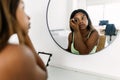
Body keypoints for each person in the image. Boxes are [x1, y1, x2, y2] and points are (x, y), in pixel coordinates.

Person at [0, 0, 48, 80]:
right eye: (23, 8)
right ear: (9, 13)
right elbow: (43, 74)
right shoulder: (17, 55)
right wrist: (23, 33)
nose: (28, 17)